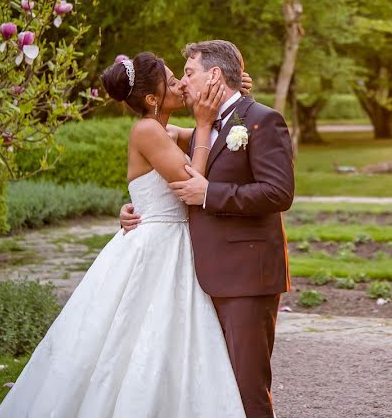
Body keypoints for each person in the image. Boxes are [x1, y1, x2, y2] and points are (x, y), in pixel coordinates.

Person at [0, 52, 246, 417]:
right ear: (151, 99)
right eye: (172, 79)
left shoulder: (164, 130)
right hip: (157, 249)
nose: (180, 84)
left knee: (173, 341)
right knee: (138, 338)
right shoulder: (147, 130)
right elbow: (194, 181)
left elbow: (223, 139)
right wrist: (204, 125)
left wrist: (233, 96)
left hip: (170, 242)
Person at [120, 40, 294, 418]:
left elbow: (279, 193)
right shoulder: (200, 124)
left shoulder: (262, 120)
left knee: (248, 389)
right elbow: (156, 165)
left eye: (189, 72)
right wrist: (138, 209)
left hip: (246, 277)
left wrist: (210, 193)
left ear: (214, 75)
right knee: (212, 388)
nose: (183, 82)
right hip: (198, 278)